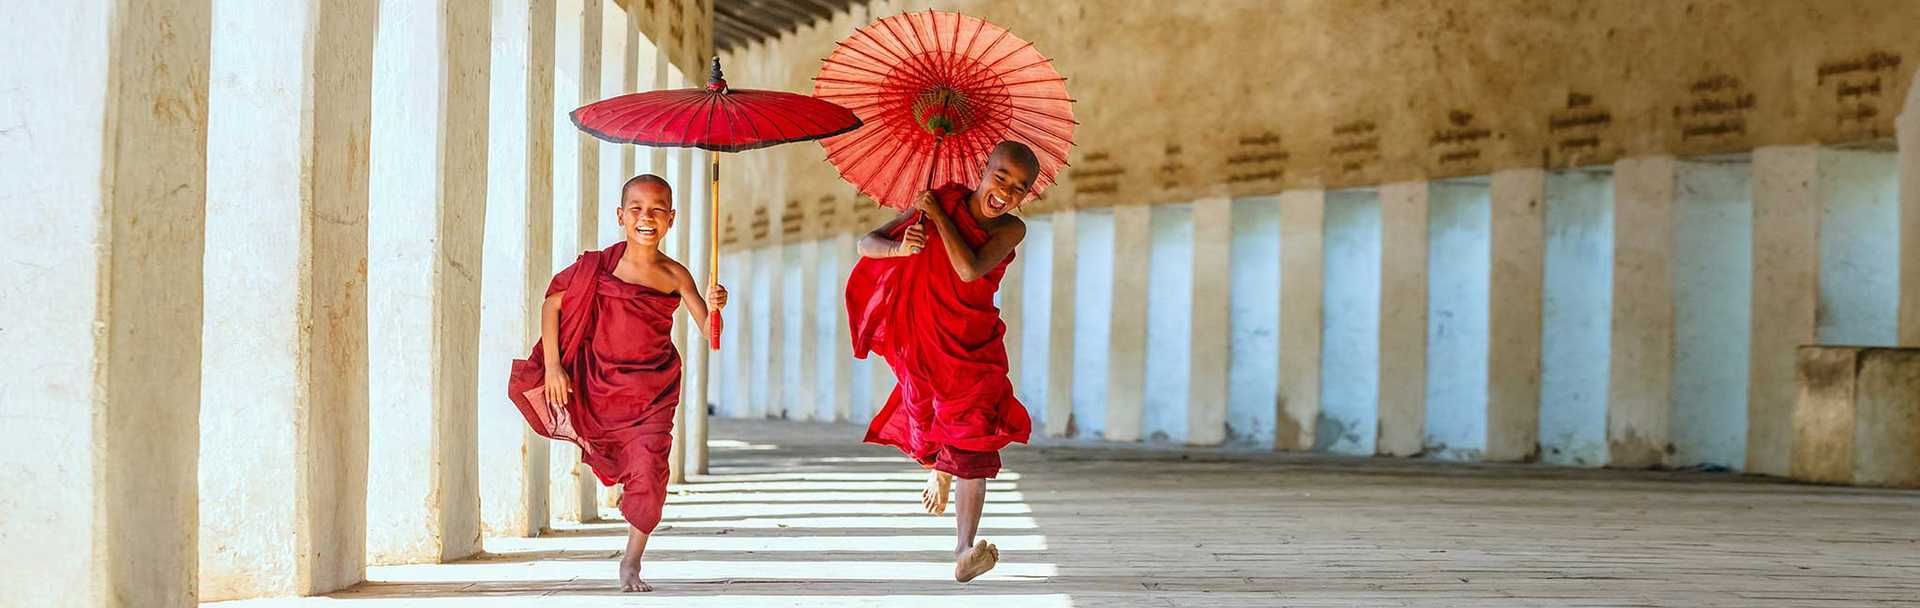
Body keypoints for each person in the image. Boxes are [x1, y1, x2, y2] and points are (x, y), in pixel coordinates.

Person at [508, 174, 725, 592]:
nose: (648, 218)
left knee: (651, 470)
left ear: (672, 219)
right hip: (599, 381)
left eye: (658, 210)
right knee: (622, 461)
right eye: (638, 209)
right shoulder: (597, 267)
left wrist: (715, 306)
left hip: (654, 392)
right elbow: (552, 305)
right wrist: (553, 367)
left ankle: (631, 560)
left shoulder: (676, 274)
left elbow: (709, 332)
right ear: (621, 216)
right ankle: (626, 502)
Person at [846, 141, 1040, 582]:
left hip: (974, 346)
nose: (1006, 191)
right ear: (983, 170)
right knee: (931, 422)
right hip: (920, 340)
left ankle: (964, 548)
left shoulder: (1010, 229)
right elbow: (866, 244)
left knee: (974, 436)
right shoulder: (942, 198)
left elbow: (969, 269)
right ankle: (940, 469)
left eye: (1018, 187)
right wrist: (901, 248)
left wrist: (938, 218)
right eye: (1001, 176)